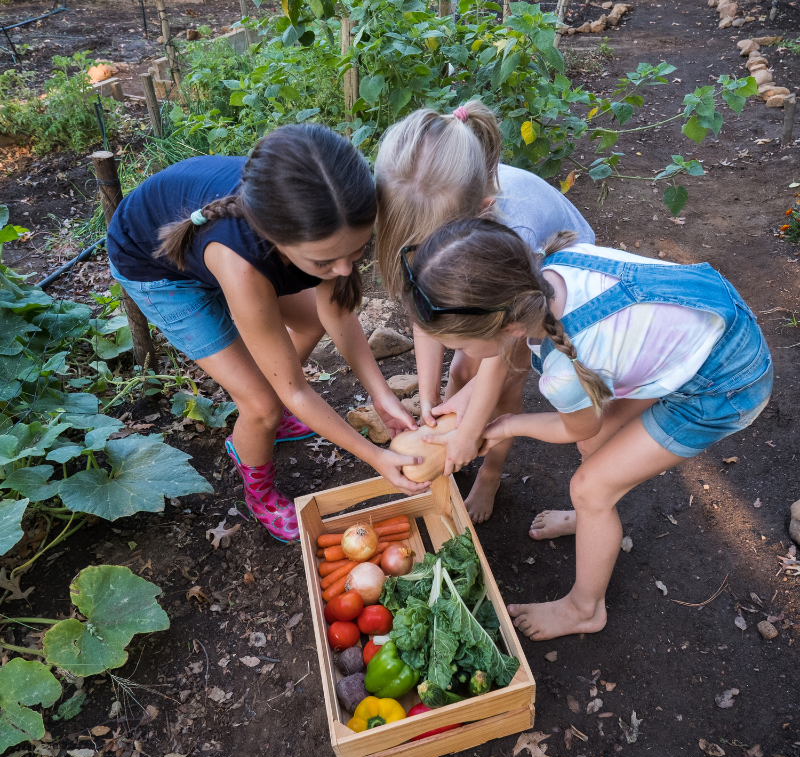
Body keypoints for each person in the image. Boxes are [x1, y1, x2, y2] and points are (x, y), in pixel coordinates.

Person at [403, 217, 773, 640]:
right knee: (600, 444)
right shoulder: (544, 276)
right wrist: (460, 410)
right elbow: (498, 358)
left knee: (590, 487)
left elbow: (574, 428)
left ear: (508, 327)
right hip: (704, 324)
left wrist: (506, 425)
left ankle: (585, 608)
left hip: (723, 383)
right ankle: (590, 521)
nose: (462, 356)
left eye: (461, 346)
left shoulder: (564, 370)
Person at [106, 124, 427, 543]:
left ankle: (267, 416)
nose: (346, 269)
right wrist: (375, 456)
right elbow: (297, 392)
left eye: (357, 252)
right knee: (261, 405)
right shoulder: (244, 264)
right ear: (277, 240)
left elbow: (337, 316)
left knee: (309, 322)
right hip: (154, 266)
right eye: (326, 262)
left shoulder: (327, 220)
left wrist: (383, 398)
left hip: (215, 249)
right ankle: (259, 490)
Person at [374, 100, 595, 524]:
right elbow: (426, 312)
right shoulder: (428, 210)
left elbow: (502, 359)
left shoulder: (516, 234)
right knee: (460, 374)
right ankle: (457, 442)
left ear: (480, 212)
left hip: (549, 292)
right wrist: (428, 396)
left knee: (504, 383)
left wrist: (472, 429)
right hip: (488, 291)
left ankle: (490, 473)